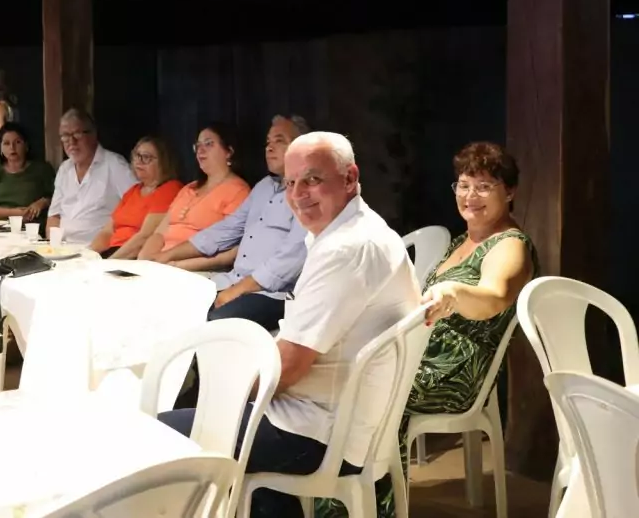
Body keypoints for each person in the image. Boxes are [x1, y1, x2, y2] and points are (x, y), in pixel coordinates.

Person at [159, 132, 420, 518]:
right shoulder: (356, 229)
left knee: (156, 430)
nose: (298, 194)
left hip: (318, 431)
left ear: (350, 178)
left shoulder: (347, 248)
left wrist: (224, 391)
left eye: (313, 180)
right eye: (290, 182)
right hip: (336, 417)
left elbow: (291, 366)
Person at [324, 141, 539, 518]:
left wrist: (455, 291)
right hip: (420, 353)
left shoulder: (511, 245)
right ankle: (340, 500)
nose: (471, 196)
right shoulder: (462, 241)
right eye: (463, 184)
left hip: (456, 368)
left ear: (510, 192)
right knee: (334, 380)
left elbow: (494, 296)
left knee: (371, 392)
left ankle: (370, 508)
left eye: (484, 186)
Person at [156, 114, 310, 331]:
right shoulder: (263, 187)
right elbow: (225, 230)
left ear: (302, 148)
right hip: (234, 280)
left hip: (273, 293)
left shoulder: (308, 194)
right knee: (171, 305)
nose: (269, 148)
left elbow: (291, 259)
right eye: (268, 142)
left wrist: (239, 289)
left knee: (215, 322)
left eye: (279, 141)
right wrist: (168, 255)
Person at [138, 123, 249, 263]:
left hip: (195, 268)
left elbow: (230, 252)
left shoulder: (238, 191)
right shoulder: (189, 188)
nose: (200, 150)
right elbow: (159, 233)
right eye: (197, 146)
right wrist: (144, 259)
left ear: (229, 151)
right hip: (161, 264)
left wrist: (176, 265)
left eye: (208, 144)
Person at [47, 109, 136, 244]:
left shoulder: (114, 164)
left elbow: (136, 206)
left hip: (99, 251)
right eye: (65, 135)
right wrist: (54, 247)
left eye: (77, 134)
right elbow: (54, 216)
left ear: (93, 134)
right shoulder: (65, 169)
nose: (71, 141)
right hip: (64, 249)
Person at [89, 136, 183, 259]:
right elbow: (107, 232)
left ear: (164, 162)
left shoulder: (170, 189)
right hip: (112, 254)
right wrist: (89, 255)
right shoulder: (133, 191)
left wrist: (109, 262)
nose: (139, 161)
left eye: (146, 157)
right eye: (137, 155)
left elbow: (144, 237)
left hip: (133, 258)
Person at [0, 122, 55, 223]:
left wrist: (42, 202)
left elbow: (56, 197)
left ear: (26, 145)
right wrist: (14, 213)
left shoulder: (42, 169)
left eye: (17, 142)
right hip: (0, 226)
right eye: (6, 143)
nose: (12, 148)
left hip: (32, 226)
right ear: (0, 147)